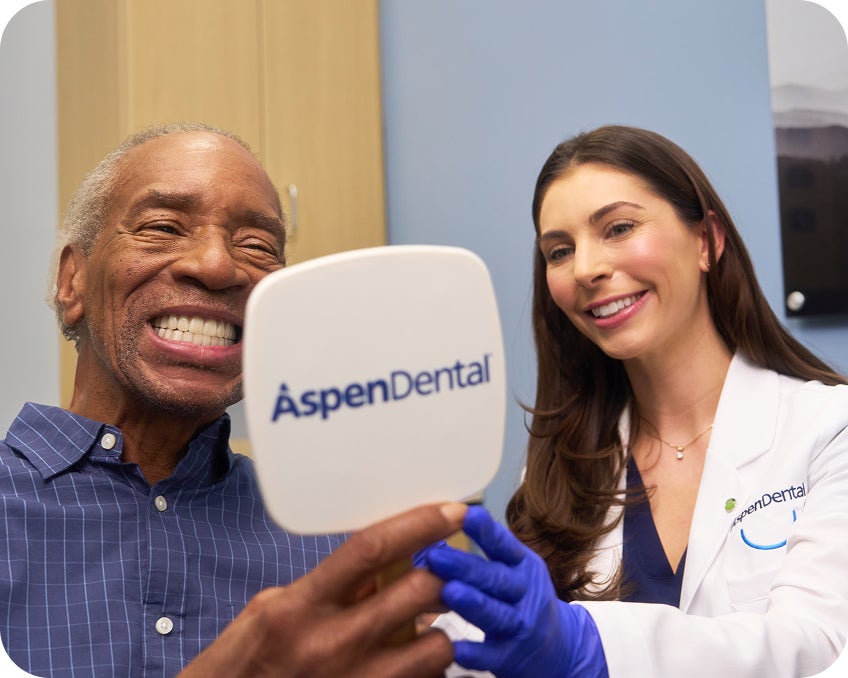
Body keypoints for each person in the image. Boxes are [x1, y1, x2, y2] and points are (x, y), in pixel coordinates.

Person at [0, 122, 460, 677]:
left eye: (257, 246)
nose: (218, 265)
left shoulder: (346, 543)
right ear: (71, 282)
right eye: (165, 226)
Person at [426, 125, 848, 677]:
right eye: (560, 250)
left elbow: (820, 645)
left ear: (706, 241)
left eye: (619, 227)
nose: (585, 269)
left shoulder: (828, 429)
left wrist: (592, 645)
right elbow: (518, 646)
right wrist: (444, 637)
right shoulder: (560, 467)